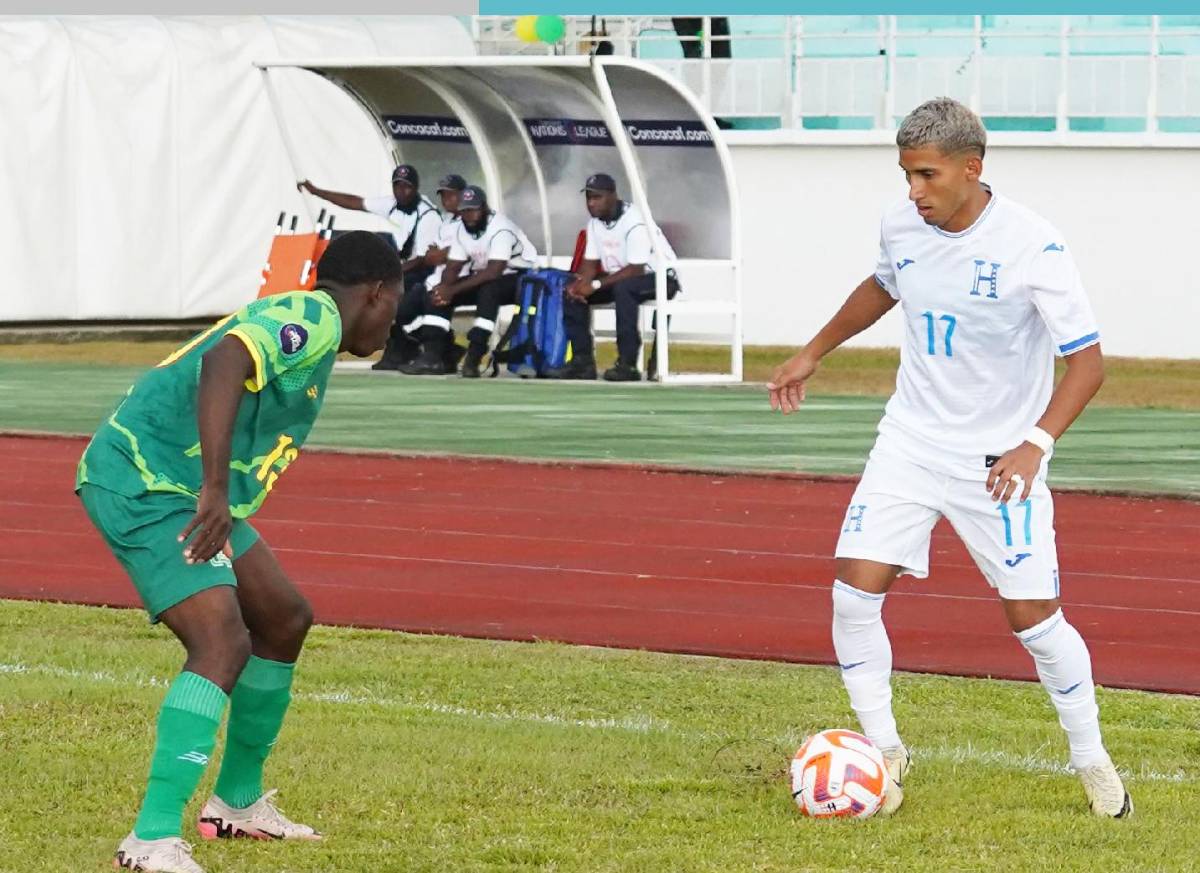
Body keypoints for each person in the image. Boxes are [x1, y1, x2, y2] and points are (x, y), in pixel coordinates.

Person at [767, 97, 1130, 819]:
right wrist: (813, 350)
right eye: (906, 174)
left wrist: (1036, 443)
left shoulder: (1034, 245)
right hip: (910, 438)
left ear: (972, 168)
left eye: (927, 175)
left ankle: (1091, 759)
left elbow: (1087, 363)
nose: (914, 191)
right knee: (853, 589)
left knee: (1034, 619)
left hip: (1000, 457)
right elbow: (883, 285)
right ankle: (884, 750)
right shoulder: (902, 224)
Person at [76, 232, 404, 872]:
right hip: (146, 483)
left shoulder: (318, 327)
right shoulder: (312, 318)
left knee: (282, 618)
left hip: (177, 487)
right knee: (221, 643)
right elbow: (228, 357)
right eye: (394, 302)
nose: (391, 319)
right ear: (376, 293)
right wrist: (216, 488)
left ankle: (236, 805)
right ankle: (148, 842)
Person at [297, 165, 440, 369]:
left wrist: (392, 274)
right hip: (401, 266)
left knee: (390, 294)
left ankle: (401, 346)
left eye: (407, 187)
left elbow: (423, 259)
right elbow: (354, 203)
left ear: (416, 188)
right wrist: (317, 192)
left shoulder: (428, 215)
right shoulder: (391, 204)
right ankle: (397, 346)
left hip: (423, 270)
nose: (401, 191)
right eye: (397, 186)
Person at [551, 173, 679, 382]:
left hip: (660, 277)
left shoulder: (634, 221)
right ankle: (582, 362)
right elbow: (590, 264)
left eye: (597, 197)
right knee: (571, 292)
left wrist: (594, 284)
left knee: (624, 289)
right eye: (589, 198)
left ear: (613, 196)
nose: (591, 203)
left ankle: (627, 364)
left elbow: (636, 269)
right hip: (623, 278)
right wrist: (580, 284)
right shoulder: (594, 224)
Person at [420, 184, 538, 378]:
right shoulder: (461, 229)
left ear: (484, 208)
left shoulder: (501, 229)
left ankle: (474, 357)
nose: (469, 216)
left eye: (473, 210)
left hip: (523, 278)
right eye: (465, 211)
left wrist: (453, 289)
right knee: (437, 291)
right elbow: (453, 267)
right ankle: (434, 357)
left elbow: (493, 271)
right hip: (487, 277)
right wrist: (444, 289)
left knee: (488, 290)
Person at [399, 173, 472, 375]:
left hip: (463, 278)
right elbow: (431, 256)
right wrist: (439, 254)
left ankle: (432, 358)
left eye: (451, 195)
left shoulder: (471, 217)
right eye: (443, 195)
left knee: (434, 298)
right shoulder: (447, 220)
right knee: (403, 311)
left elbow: (467, 249)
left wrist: (443, 254)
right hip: (437, 276)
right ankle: (447, 350)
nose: (446, 199)